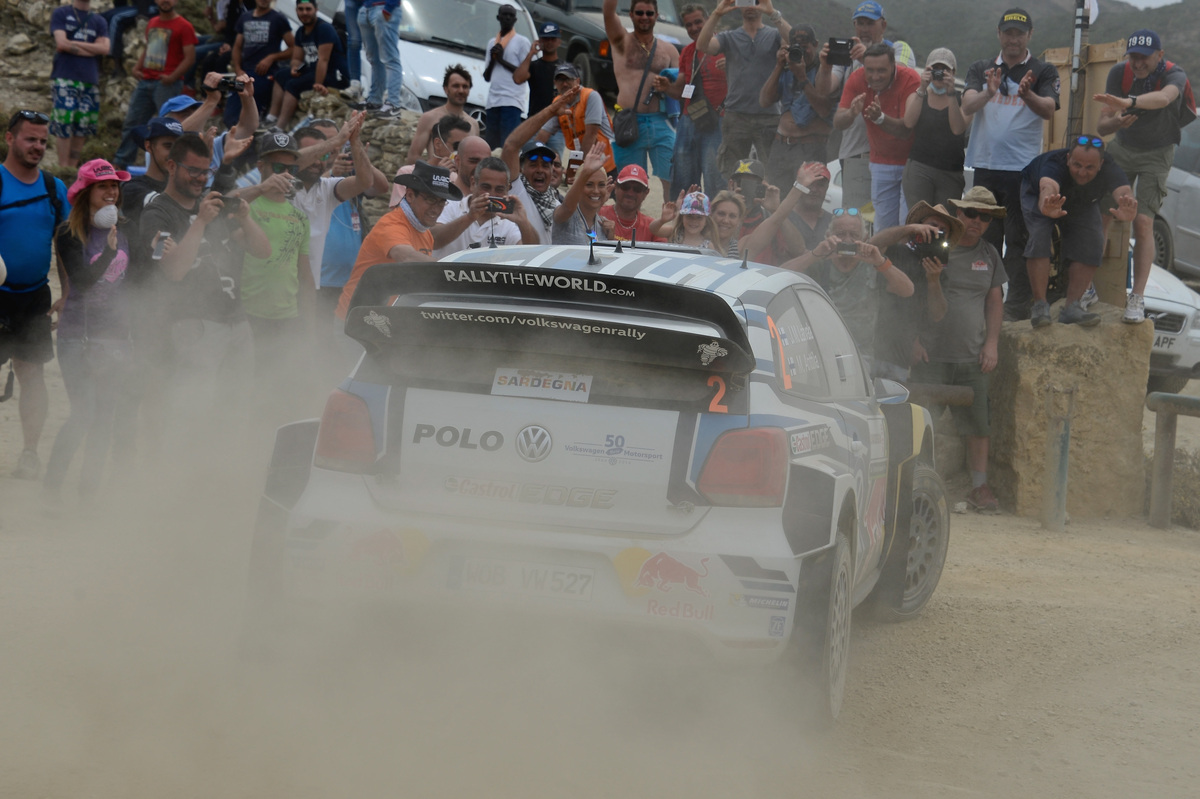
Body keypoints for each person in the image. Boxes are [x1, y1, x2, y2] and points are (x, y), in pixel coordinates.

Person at [136, 134, 270, 435]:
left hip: (237, 321)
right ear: (171, 166)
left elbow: (263, 251)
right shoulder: (158, 213)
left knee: (236, 408)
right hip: (194, 324)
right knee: (191, 407)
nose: (200, 178)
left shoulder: (212, 205)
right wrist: (199, 223)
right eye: (193, 170)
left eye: (205, 171)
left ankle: (219, 471)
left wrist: (246, 219)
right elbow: (174, 271)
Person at [910, 188, 1008, 513]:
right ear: (959, 214)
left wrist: (992, 343)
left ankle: (979, 487)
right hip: (931, 353)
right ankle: (912, 480)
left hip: (972, 354)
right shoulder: (936, 246)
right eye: (970, 213)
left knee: (979, 426)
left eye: (984, 216)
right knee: (920, 420)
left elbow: (995, 301)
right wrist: (912, 338)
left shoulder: (991, 254)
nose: (976, 221)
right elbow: (910, 295)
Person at [961, 8, 1059, 322]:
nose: (1013, 39)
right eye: (1008, 33)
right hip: (986, 167)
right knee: (982, 237)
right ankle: (979, 302)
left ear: (1029, 35)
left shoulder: (1042, 71)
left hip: (1023, 171)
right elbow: (967, 104)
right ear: (999, 34)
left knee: (1017, 240)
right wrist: (989, 92)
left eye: (1019, 33)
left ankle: (1015, 308)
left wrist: (1027, 94)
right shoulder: (982, 67)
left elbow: (1048, 110)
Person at [44, 160, 133, 502]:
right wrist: (109, 254)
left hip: (114, 338)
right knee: (84, 414)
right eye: (103, 186)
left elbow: (131, 284)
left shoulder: (123, 230)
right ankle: (52, 490)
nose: (111, 192)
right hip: (78, 338)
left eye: (114, 186)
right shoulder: (68, 233)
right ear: (85, 193)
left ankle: (88, 493)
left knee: (105, 418)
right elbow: (81, 283)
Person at [1095, 29, 1194, 323]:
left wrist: (1129, 102)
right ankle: (1086, 286)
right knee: (1102, 214)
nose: (1137, 64)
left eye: (1144, 58)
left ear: (1160, 56)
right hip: (1123, 148)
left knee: (1144, 221)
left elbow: (1164, 99)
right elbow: (1102, 128)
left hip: (1158, 153)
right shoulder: (1118, 74)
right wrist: (1117, 121)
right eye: (1133, 57)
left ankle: (1137, 298)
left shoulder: (1175, 75)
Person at [0, 111, 71, 479]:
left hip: (34, 296)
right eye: (31, 139)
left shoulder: (52, 188)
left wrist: (67, 292)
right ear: (10, 139)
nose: (38, 147)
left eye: (44, 141)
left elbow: (65, 246)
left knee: (32, 374)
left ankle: (29, 453)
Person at [1019, 137, 1138, 328]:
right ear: (1068, 159)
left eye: (1089, 167)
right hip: (1040, 198)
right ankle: (1040, 306)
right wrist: (1046, 206)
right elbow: (1047, 187)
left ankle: (1072, 307)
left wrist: (1127, 204)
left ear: (1101, 165)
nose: (1082, 172)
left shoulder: (1110, 167)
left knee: (1094, 240)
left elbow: (1123, 190)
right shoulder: (1053, 164)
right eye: (1077, 165)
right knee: (1040, 236)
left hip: (1083, 201)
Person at [814, 0, 915, 213]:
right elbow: (825, 89)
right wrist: (825, 67)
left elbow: (899, 76)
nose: (864, 29)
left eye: (870, 23)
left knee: (890, 219)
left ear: (883, 25)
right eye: (859, 23)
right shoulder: (846, 56)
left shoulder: (899, 48)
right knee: (855, 217)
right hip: (855, 151)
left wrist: (866, 58)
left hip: (893, 154)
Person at [238, 132, 314, 400]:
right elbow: (222, 203)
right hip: (248, 315)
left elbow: (304, 274)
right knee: (248, 387)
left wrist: (310, 322)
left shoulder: (299, 216)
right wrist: (261, 188)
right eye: (278, 168)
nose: (285, 175)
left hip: (287, 318)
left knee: (280, 389)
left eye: (292, 169)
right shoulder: (247, 205)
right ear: (261, 167)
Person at [337, 161, 463, 320]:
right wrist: (457, 270)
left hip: (389, 317)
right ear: (410, 195)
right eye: (430, 199)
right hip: (357, 319)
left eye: (441, 201)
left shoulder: (424, 232)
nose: (437, 209)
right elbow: (406, 257)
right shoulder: (391, 224)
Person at [865, 201, 962, 381]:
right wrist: (908, 229)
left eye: (942, 230)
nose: (936, 232)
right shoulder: (897, 251)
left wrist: (933, 281)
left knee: (893, 406)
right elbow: (872, 246)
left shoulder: (941, 270)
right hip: (872, 345)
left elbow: (938, 314)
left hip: (901, 355)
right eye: (932, 226)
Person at [291, 117, 388, 294]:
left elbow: (374, 184)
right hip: (300, 281)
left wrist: (355, 145)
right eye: (323, 145)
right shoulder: (284, 183)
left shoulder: (326, 186)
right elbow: (294, 164)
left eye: (335, 142)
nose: (332, 148)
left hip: (334, 282)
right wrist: (333, 160)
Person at [695, 0, 787, 183]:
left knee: (773, 173)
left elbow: (795, 40)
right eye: (746, 1)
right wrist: (717, 13)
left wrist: (772, 13)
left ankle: (767, 210)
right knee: (732, 173)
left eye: (757, 1)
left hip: (769, 114)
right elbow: (703, 46)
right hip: (736, 114)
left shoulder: (775, 35)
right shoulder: (729, 37)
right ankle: (734, 208)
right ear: (739, 4)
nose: (752, 6)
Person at [833, 42, 920, 232]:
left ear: (893, 67)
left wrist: (880, 118)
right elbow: (838, 122)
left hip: (911, 162)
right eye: (870, 70)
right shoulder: (857, 78)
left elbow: (907, 129)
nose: (875, 76)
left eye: (882, 70)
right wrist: (850, 114)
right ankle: (882, 261)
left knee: (907, 225)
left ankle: (906, 261)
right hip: (881, 161)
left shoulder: (910, 79)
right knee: (883, 227)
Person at [602, 0, 679, 195]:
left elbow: (681, 88)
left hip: (662, 122)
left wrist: (667, 87)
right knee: (629, 183)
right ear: (631, 14)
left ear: (656, 15)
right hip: (629, 121)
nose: (644, 17)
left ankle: (670, 223)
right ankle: (628, 224)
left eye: (649, 13)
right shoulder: (620, 41)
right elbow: (608, 11)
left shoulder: (669, 50)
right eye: (640, 12)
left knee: (672, 178)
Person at [113, 0, 197, 171]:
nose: (165, 1)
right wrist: (138, 66)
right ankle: (121, 163)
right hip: (146, 81)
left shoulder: (184, 26)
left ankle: (172, 163)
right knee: (132, 122)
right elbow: (150, 48)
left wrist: (173, 77)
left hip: (167, 84)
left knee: (169, 126)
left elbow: (190, 57)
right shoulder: (152, 22)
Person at [653, 4, 726, 199]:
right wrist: (666, 87)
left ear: (709, 20)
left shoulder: (726, 45)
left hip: (719, 120)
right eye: (689, 25)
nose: (693, 28)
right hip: (689, 118)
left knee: (715, 180)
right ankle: (680, 223)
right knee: (682, 179)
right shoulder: (687, 52)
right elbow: (680, 91)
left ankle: (716, 225)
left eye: (698, 22)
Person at [760, 24, 836, 191]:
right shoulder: (787, 67)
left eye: (805, 47)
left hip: (812, 147)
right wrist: (779, 66)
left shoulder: (825, 70)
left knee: (806, 200)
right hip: (781, 146)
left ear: (815, 44)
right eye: (796, 48)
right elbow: (765, 101)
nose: (800, 53)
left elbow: (823, 109)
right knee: (775, 196)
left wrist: (802, 77)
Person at [902, 48, 969, 211]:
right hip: (919, 166)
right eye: (935, 69)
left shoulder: (963, 99)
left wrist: (951, 94)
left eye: (945, 69)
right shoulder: (916, 95)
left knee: (946, 223)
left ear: (953, 72)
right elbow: (908, 122)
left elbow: (958, 129)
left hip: (951, 171)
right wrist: (922, 88)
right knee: (919, 219)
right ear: (927, 71)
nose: (940, 73)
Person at [269, 0, 350, 131]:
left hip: (333, 75)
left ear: (315, 10)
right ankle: (271, 118)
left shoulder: (324, 29)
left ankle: (279, 127)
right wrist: (295, 68)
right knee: (280, 75)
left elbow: (323, 60)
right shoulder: (301, 31)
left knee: (293, 85)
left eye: (308, 9)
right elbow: (296, 58)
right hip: (312, 70)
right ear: (296, 11)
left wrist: (318, 85)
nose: (304, 13)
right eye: (301, 9)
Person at [433, 157, 538, 257]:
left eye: (499, 189)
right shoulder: (450, 205)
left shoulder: (509, 221)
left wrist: (523, 222)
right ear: (473, 183)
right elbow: (434, 241)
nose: (492, 194)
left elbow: (533, 253)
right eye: (486, 187)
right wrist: (469, 217)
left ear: (508, 189)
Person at [50, 0, 110, 169]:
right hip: (65, 76)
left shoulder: (99, 21)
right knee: (64, 123)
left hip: (90, 80)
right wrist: (92, 48)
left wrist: (73, 45)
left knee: (82, 126)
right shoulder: (61, 13)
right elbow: (61, 43)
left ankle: (73, 167)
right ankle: (63, 168)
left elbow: (105, 49)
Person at [536, 64, 615, 176]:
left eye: (568, 79)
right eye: (560, 80)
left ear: (577, 81)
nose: (564, 84)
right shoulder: (558, 102)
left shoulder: (590, 96)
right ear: (555, 84)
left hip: (607, 162)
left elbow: (591, 135)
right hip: (585, 162)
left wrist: (577, 167)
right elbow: (543, 133)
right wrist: (530, 156)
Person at [228, 0, 294, 128]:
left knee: (250, 114)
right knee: (231, 111)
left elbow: (293, 47)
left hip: (265, 74)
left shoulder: (278, 19)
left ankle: (249, 140)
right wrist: (238, 69)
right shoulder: (245, 17)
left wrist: (272, 57)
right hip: (244, 72)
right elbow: (237, 47)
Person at [405, 66, 480, 165]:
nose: (461, 91)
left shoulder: (473, 124)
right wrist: (434, 170)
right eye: (456, 86)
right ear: (446, 89)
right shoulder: (430, 118)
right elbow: (413, 156)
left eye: (465, 87)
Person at [482, 4, 532, 149]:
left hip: (512, 101)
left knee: (507, 145)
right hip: (493, 101)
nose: (508, 18)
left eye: (511, 15)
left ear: (515, 19)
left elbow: (525, 74)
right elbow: (486, 76)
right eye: (505, 14)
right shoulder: (492, 43)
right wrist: (493, 59)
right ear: (498, 17)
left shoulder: (522, 42)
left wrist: (502, 60)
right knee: (490, 145)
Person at [514, 22, 564, 155]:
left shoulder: (564, 68)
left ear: (559, 40)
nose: (549, 43)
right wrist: (531, 53)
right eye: (546, 39)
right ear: (540, 40)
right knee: (530, 158)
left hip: (556, 128)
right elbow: (518, 78)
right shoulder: (535, 66)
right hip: (534, 124)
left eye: (553, 39)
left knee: (555, 163)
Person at [551, 142, 613, 245]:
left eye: (601, 185)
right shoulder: (565, 216)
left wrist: (611, 240)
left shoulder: (605, 225)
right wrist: (585, 173)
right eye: (589, 184)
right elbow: (568, 207)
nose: (596, 190)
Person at [357, 0, 403, 116]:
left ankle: (393, 103)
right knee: (374, 59)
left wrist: (388, 8)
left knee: (391, 59)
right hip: (367, 9)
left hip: (384, 8)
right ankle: (375, 100)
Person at [599, 164, 664, 243]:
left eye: (637, 189)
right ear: (615, 187)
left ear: (646, 193)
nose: (630, 193)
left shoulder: (653, 228)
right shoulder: (598, 214)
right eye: (625, 187)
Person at [709, 190, 745, 257]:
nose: (726, 221)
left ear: (739, 221)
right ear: (711, 214)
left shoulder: (740, 249)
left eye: (732, 216)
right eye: (721, 214)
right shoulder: (697, 242)